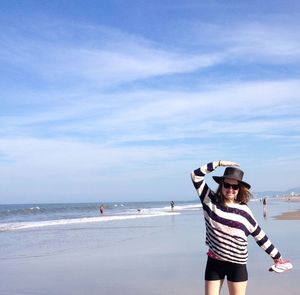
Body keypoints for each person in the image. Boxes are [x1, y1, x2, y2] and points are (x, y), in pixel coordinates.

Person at [191, 160, 292, 295]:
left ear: (240, 189)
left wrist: (277, 258)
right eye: (227, 185)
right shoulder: (209, 200)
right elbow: (195, 175)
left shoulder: (244, 211)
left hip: (237, 265)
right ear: (221, 185)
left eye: (235, 187)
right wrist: (218, 163)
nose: (230, 189)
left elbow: (260, 235)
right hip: (214, 263)